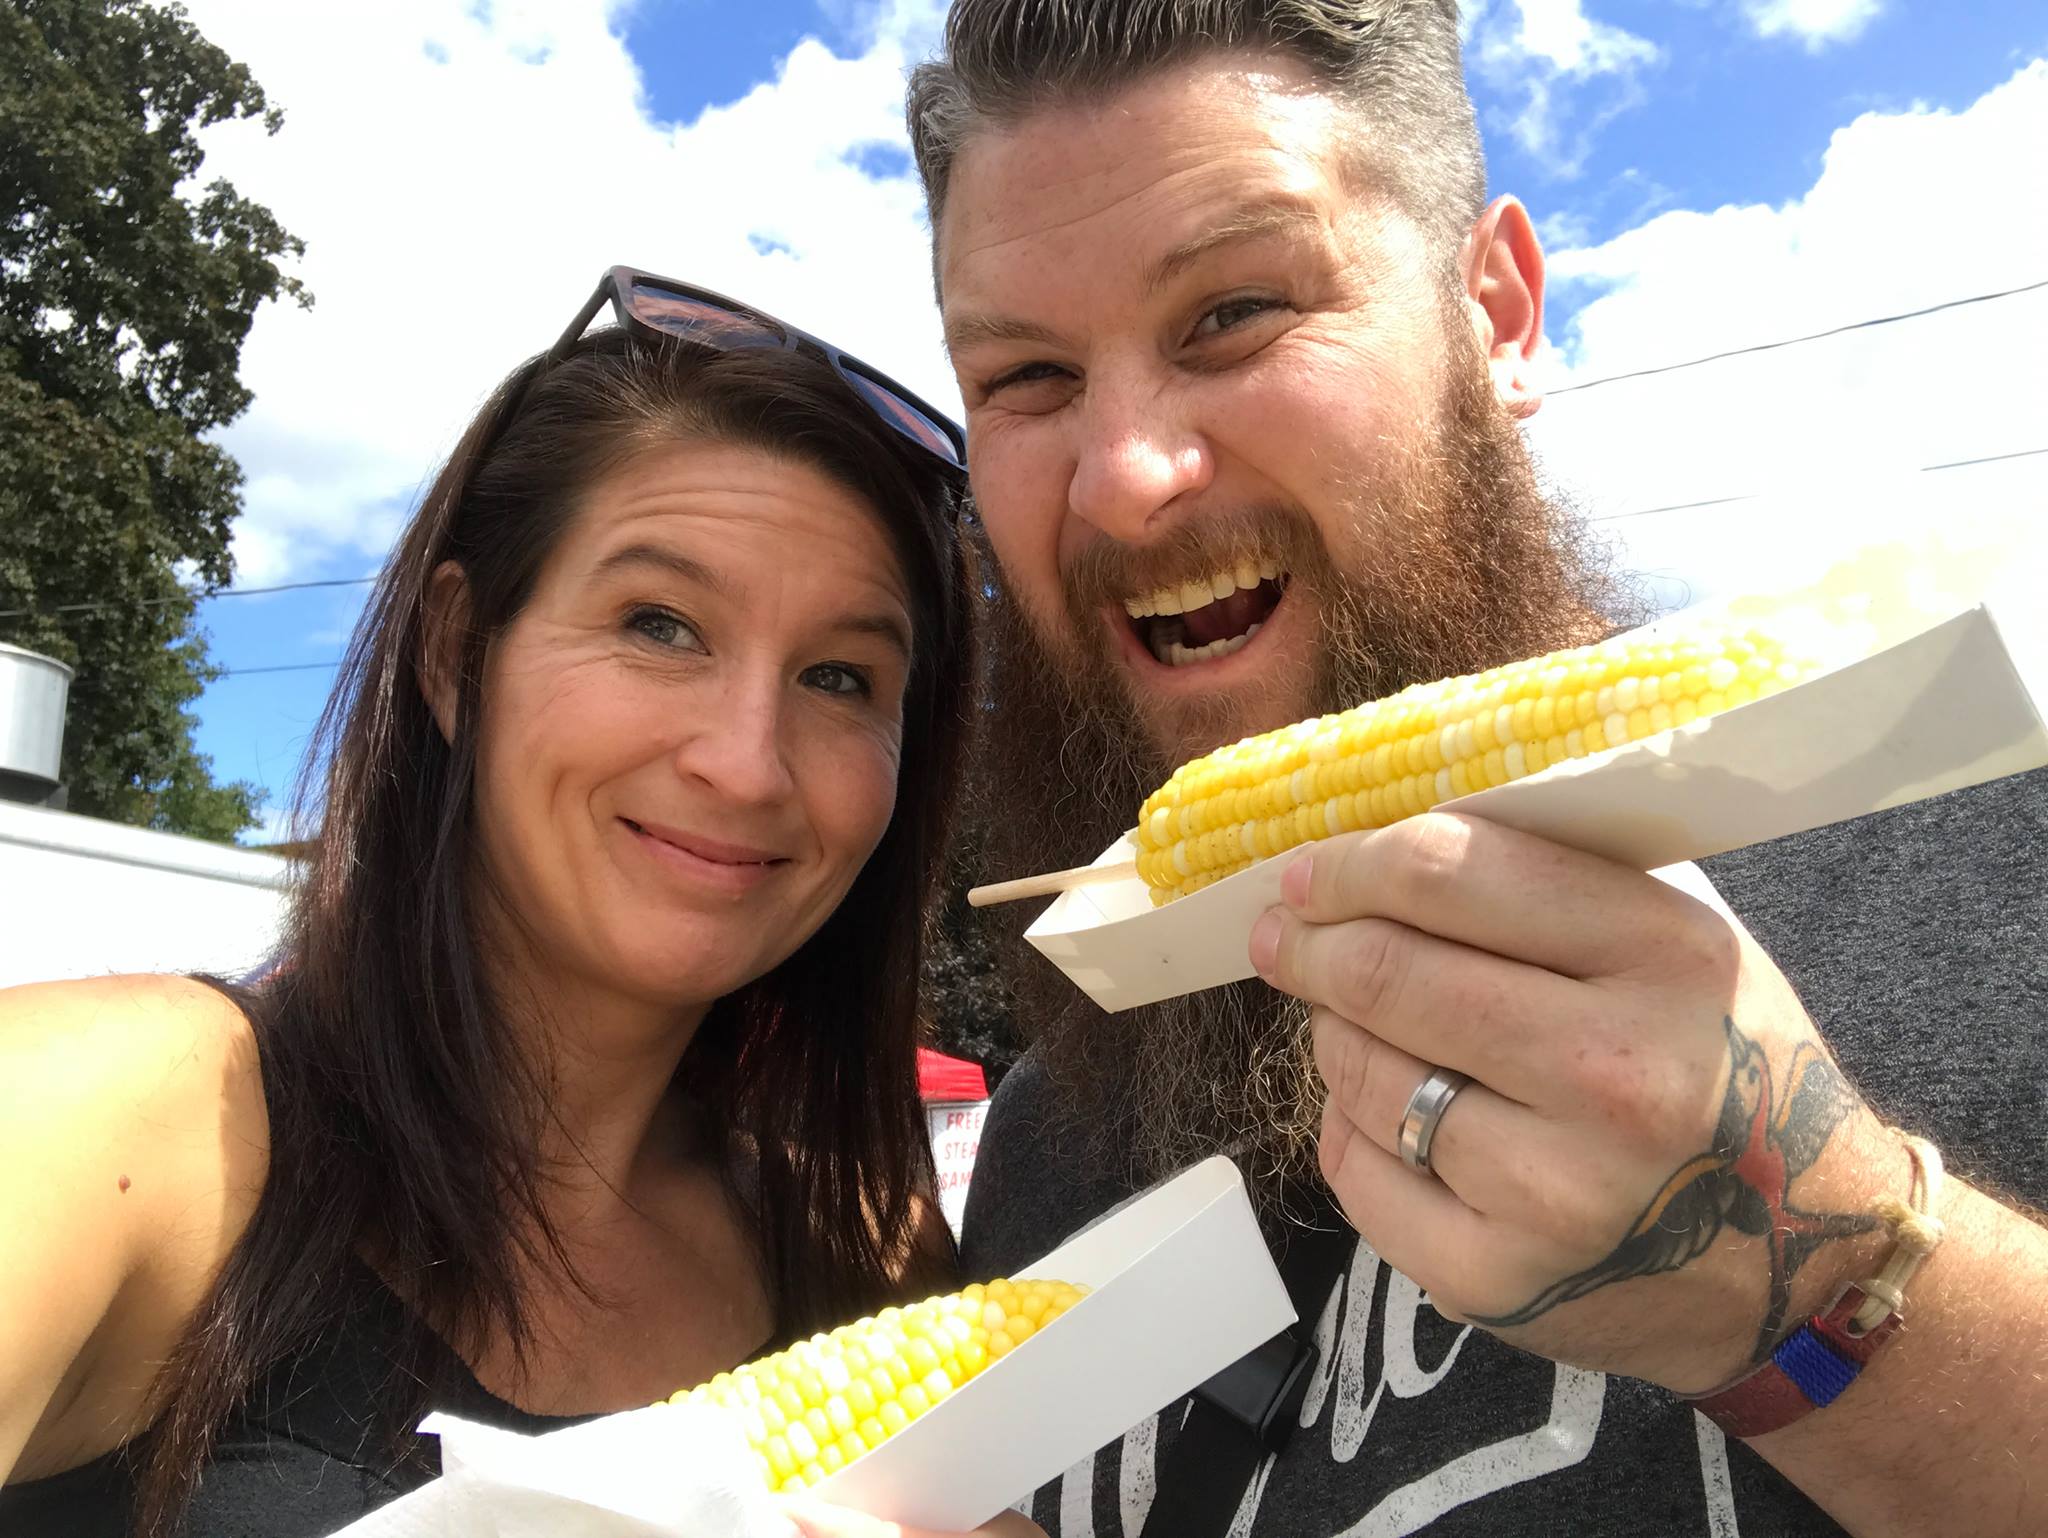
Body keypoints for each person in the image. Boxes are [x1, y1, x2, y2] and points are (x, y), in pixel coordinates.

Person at [905, 5, 2048, 1535]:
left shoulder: (1993, 847)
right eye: (1029, 379)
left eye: (1233, 311)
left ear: (1497, 313)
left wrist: (1836, 1285)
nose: (1121, 477)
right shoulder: (1054, 1129)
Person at [0, 268, 1042, 1538]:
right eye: (659, 623)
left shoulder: (868, 1253)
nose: (747, 760)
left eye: (839, 675)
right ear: (454, 653)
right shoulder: (120, 1112)